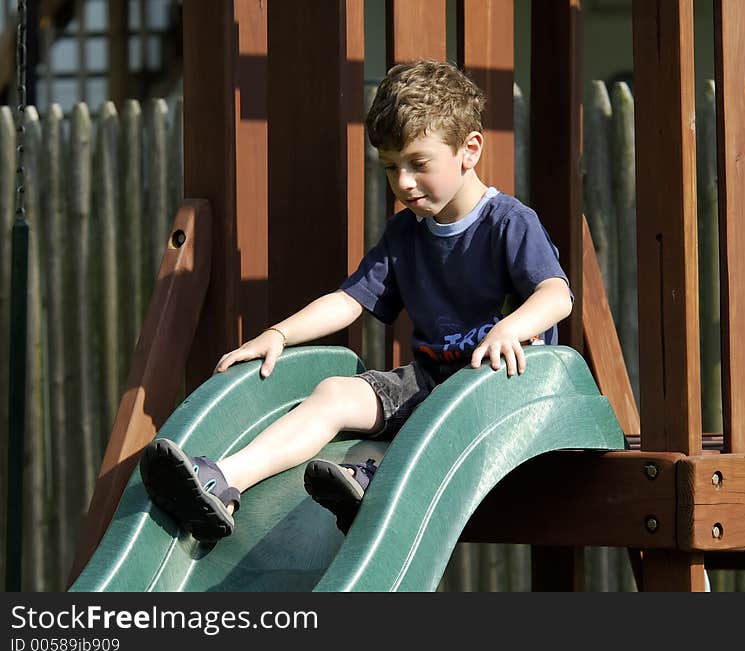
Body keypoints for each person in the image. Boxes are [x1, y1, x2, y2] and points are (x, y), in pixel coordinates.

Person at [139, 59, 573, 542]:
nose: (403, 182)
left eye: (418, 163)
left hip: (504, 393)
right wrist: (278, 334)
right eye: (390, 167)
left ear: (469, 149)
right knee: (335, 393)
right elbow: (349, 301)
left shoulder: (508, 222)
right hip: (431, 382)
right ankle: (223, 480)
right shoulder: (406, 234)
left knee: (433, 422)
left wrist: (510, 328)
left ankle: (375, 475)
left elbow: (556, 294)